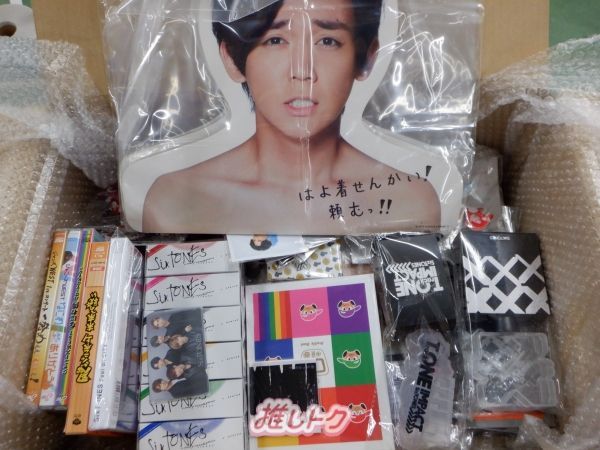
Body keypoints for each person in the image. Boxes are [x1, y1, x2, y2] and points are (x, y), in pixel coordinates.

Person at [143, 0, 440, 233]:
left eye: (327, 41)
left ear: (367, 58)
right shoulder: (175, 200)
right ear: (232, 57)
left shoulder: (410, 201)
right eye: (275, 40)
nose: (302, 71)